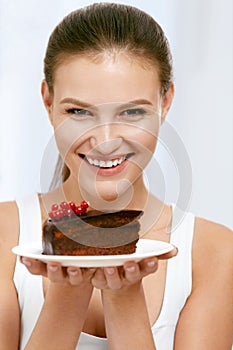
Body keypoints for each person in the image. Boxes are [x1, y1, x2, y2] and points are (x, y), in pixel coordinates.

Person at [0, 3, 232, 350]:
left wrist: (125, 298)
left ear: (165, 101)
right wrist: (67, 295)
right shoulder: (5, 236)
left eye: (133, 111)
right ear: (48, 102)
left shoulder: (212, 252)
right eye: (78, 111)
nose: (105, 142)